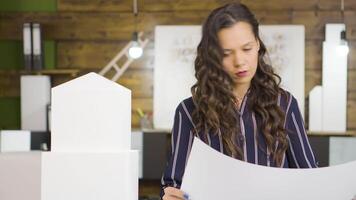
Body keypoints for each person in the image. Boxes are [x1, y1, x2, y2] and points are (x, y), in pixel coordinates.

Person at [160, 2, 317, 200]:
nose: (239, 61)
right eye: (227, 53)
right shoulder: (188, 111)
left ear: (258, 44)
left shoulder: (284, 104)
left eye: (247, 48)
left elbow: (309, 174)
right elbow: (173, 182)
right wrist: (170, 195)